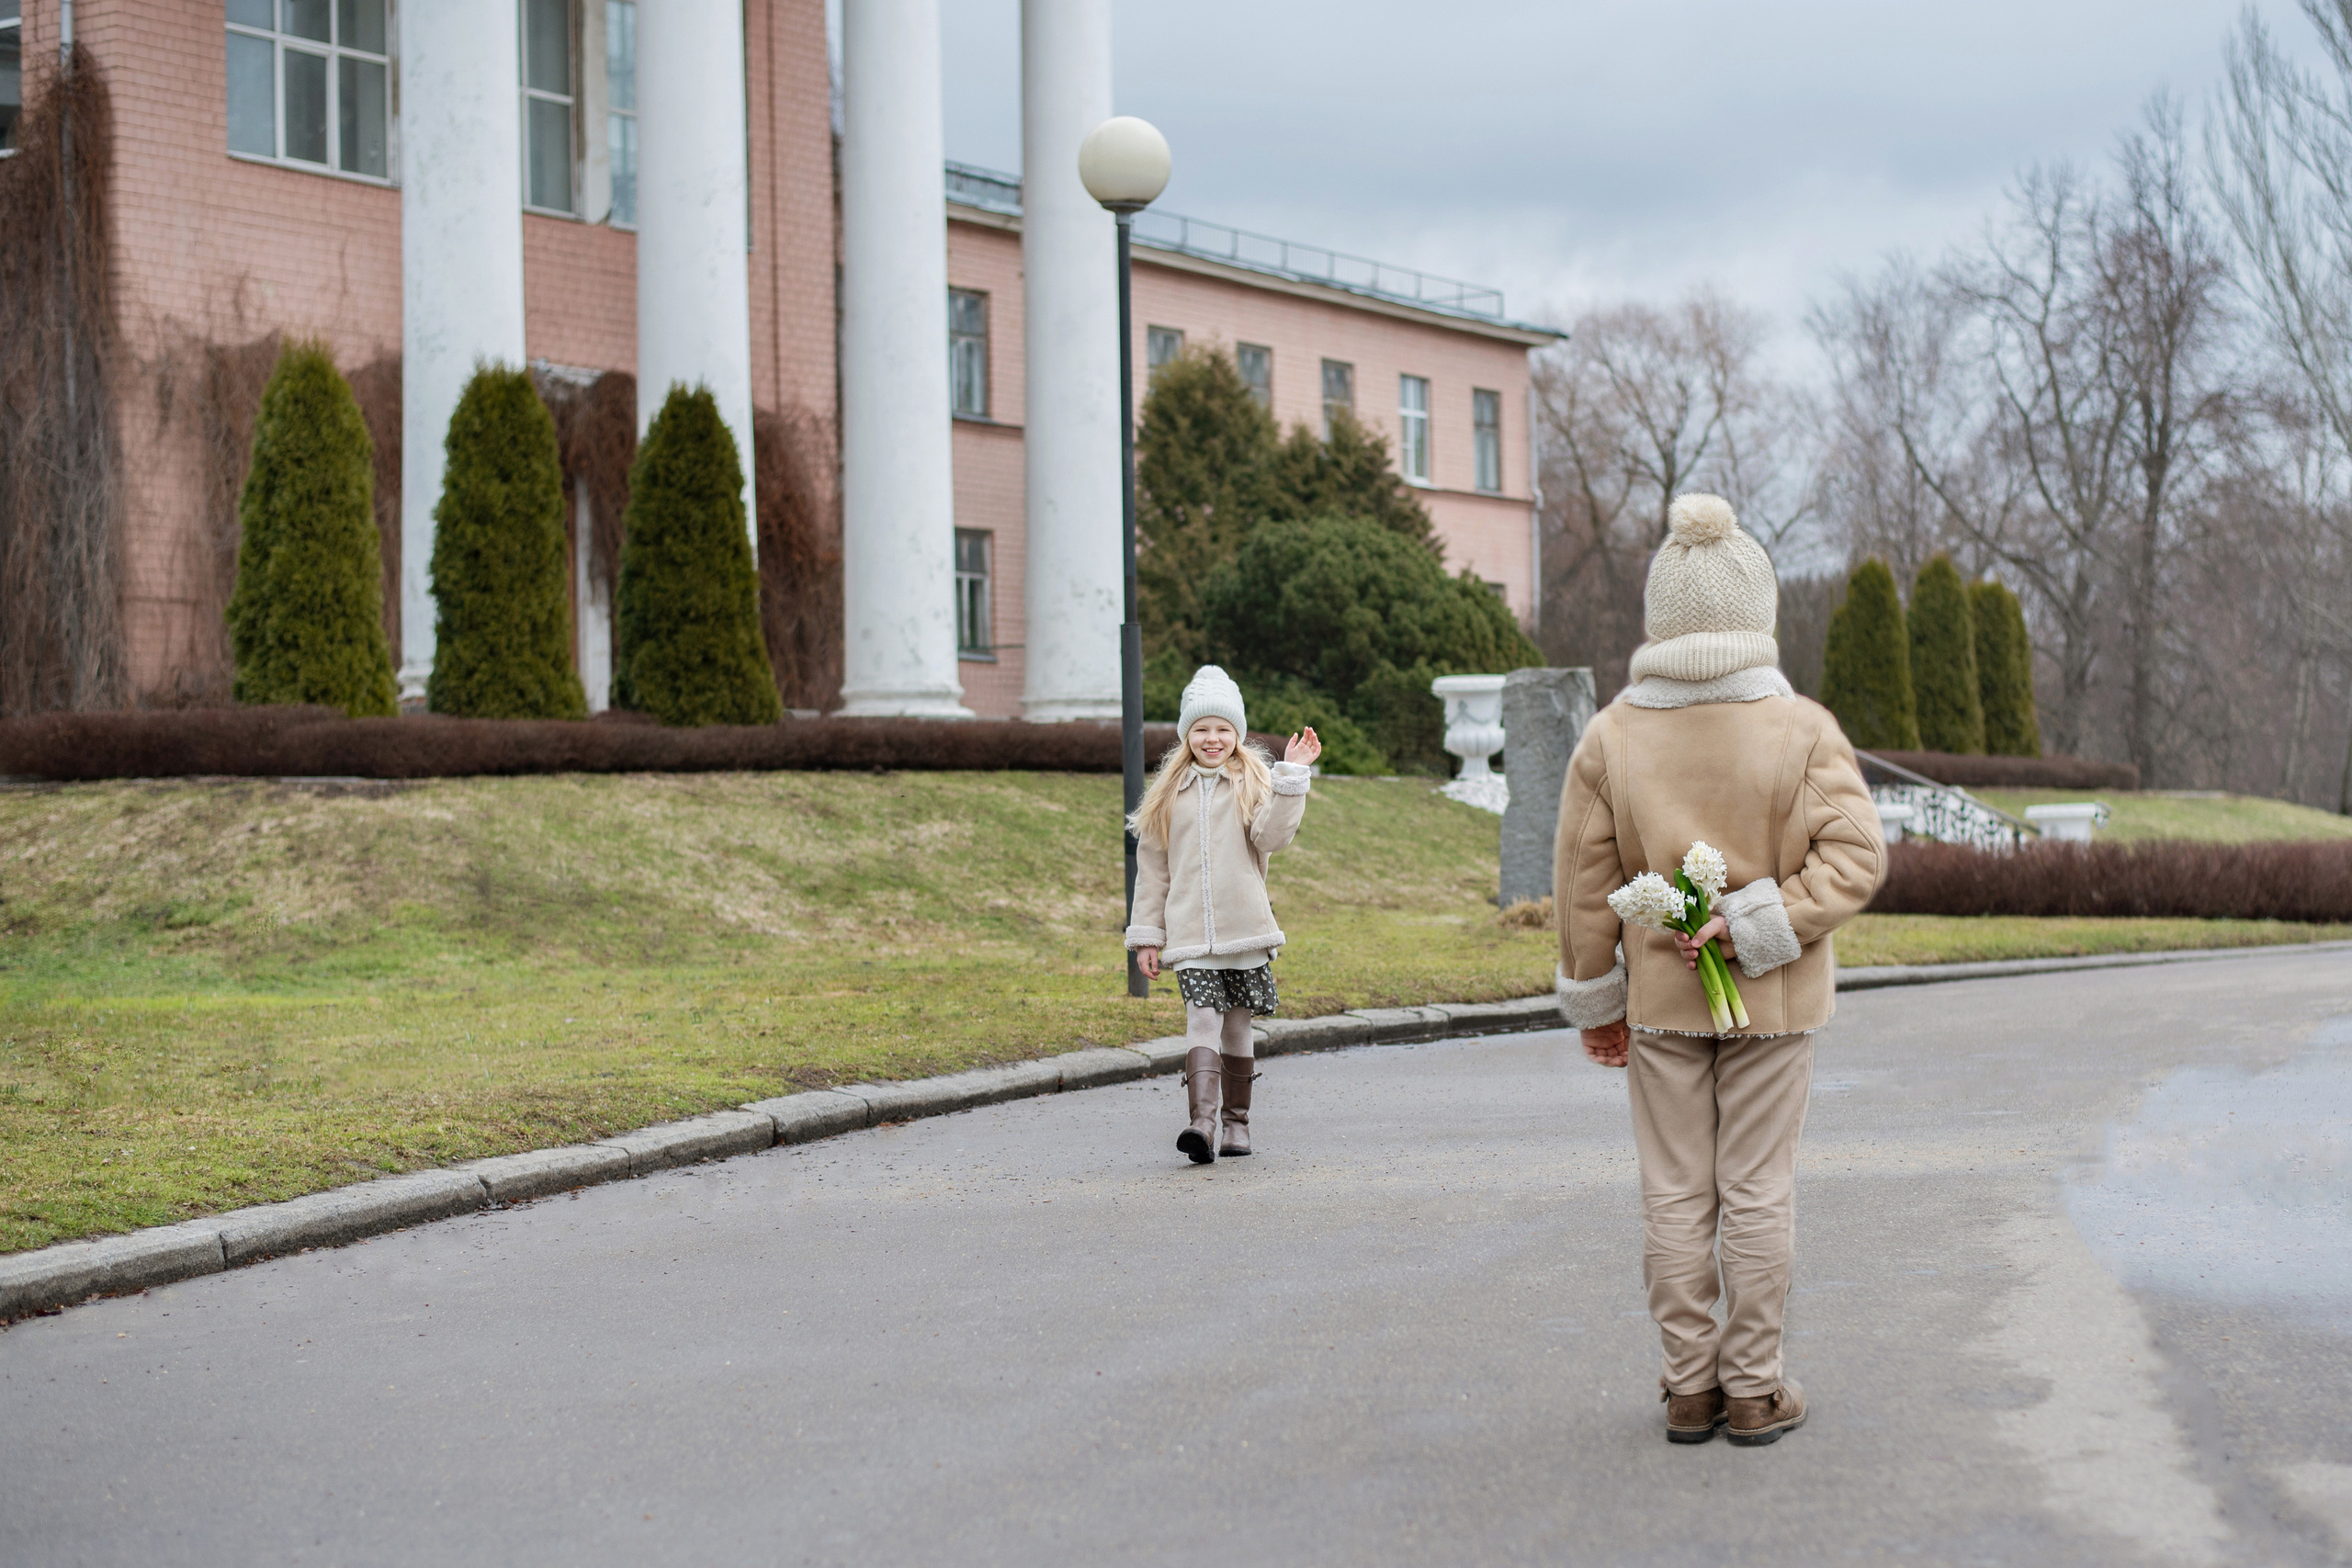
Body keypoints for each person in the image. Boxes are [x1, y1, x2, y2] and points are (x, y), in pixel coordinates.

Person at [1554, 493, 1884, 1447]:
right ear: (1759, 613)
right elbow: (1854, 857)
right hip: (1775, 1007)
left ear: (1661, 616)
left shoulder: (1612, 736)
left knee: (1673, 1190)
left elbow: (1584, 881)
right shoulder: (1803, 729)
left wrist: (1597, 1001)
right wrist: (1758, 922)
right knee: (1755, 1187)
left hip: (1659, 1005)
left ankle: (1686, 1389)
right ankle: (1752, 1389)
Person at [1125, 666, 1321, 1163]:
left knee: (1237, 1024)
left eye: (1222, 729)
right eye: (1201, 729)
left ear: (1237, 734)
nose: (1212, 739)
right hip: (1191, 935)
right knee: (1202, 1018)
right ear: (1186, 734)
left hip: (1244, 931)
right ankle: (1203, 1124)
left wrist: (1291, 777)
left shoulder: (1255, 784)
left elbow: (1271, 838)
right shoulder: (1167, 795)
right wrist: (1147, 935)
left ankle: (1237, 1125)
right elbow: (1152, 871)